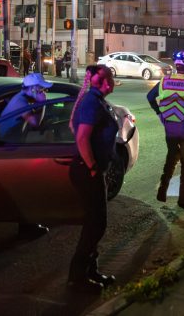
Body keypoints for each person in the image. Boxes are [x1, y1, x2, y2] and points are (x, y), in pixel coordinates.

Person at [67, 64, 119, 290]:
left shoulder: (96, 100)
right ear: (105, 82)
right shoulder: (91, 102)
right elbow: (81, 138)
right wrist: (93, 168)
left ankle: (91, 271)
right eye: (110, 78)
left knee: (95, 223)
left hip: (93, 170)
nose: (112, 81)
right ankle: (78, 277)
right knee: (95, 224)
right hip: (87, 172)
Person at [147, 50, 184, 208]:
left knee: (171, 157)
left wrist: (160, 113)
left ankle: (162, 189)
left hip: (170, 127)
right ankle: (183, 197)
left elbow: (150, 97)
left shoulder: (165, 81)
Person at [0, 73, 52, 239]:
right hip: (8, 149)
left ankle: (27, 223)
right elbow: (36, 124)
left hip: (11, 144)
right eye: (41, 88)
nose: (43, 91)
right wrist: (43, 104)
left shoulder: (21, 98)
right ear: (33, 89)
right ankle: (27, 226)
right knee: (27, 185)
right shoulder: (20, 102)